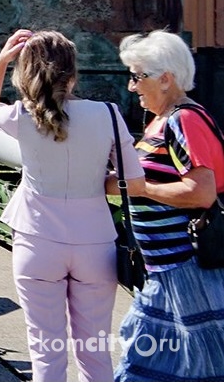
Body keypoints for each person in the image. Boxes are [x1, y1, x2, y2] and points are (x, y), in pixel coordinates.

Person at [0, 29, 143, 382]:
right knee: (95, 353)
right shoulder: (108, 114)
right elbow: (132, 182)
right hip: (95, 242)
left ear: (26, 73)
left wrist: (3, 58)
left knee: (45, 355)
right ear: (73, 74)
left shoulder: (21, 115)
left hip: (37, 241)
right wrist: (94, 180)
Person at [114, 31, 224, 381]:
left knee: (152, 360)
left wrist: (139, 188)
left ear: (165, 78)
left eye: (137, 76)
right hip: (165, 268)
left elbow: (201, 192)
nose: (132, 87)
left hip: (187, 270)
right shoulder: (161, 121)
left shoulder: (184, 120)